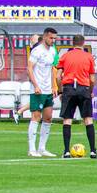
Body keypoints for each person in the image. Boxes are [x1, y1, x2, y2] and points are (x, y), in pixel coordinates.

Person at [55, 34, 97, 159]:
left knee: (67, 119)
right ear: (83, 43)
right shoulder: (88, 57)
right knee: (88, 119)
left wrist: (60, 90)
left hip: (69, 88)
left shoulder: (65, 56)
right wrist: (90, 91)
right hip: (83, 88)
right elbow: (92, 78)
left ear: (72, 43)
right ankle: (93, 151)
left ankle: (66, 151)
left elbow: (58, 76)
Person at [25, 27, 59, 158]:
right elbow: (29, 69)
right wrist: (36, 86)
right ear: (44, 37)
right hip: (38, 90)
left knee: (48, 117)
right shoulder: (37, 50)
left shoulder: (52, 51)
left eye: (55, 38)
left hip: (47, 89)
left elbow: (51, 69)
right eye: (51, 38)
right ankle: (32, 149)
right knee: (36, 117)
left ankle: (42, 148)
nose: (53, 40)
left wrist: (54, 85)